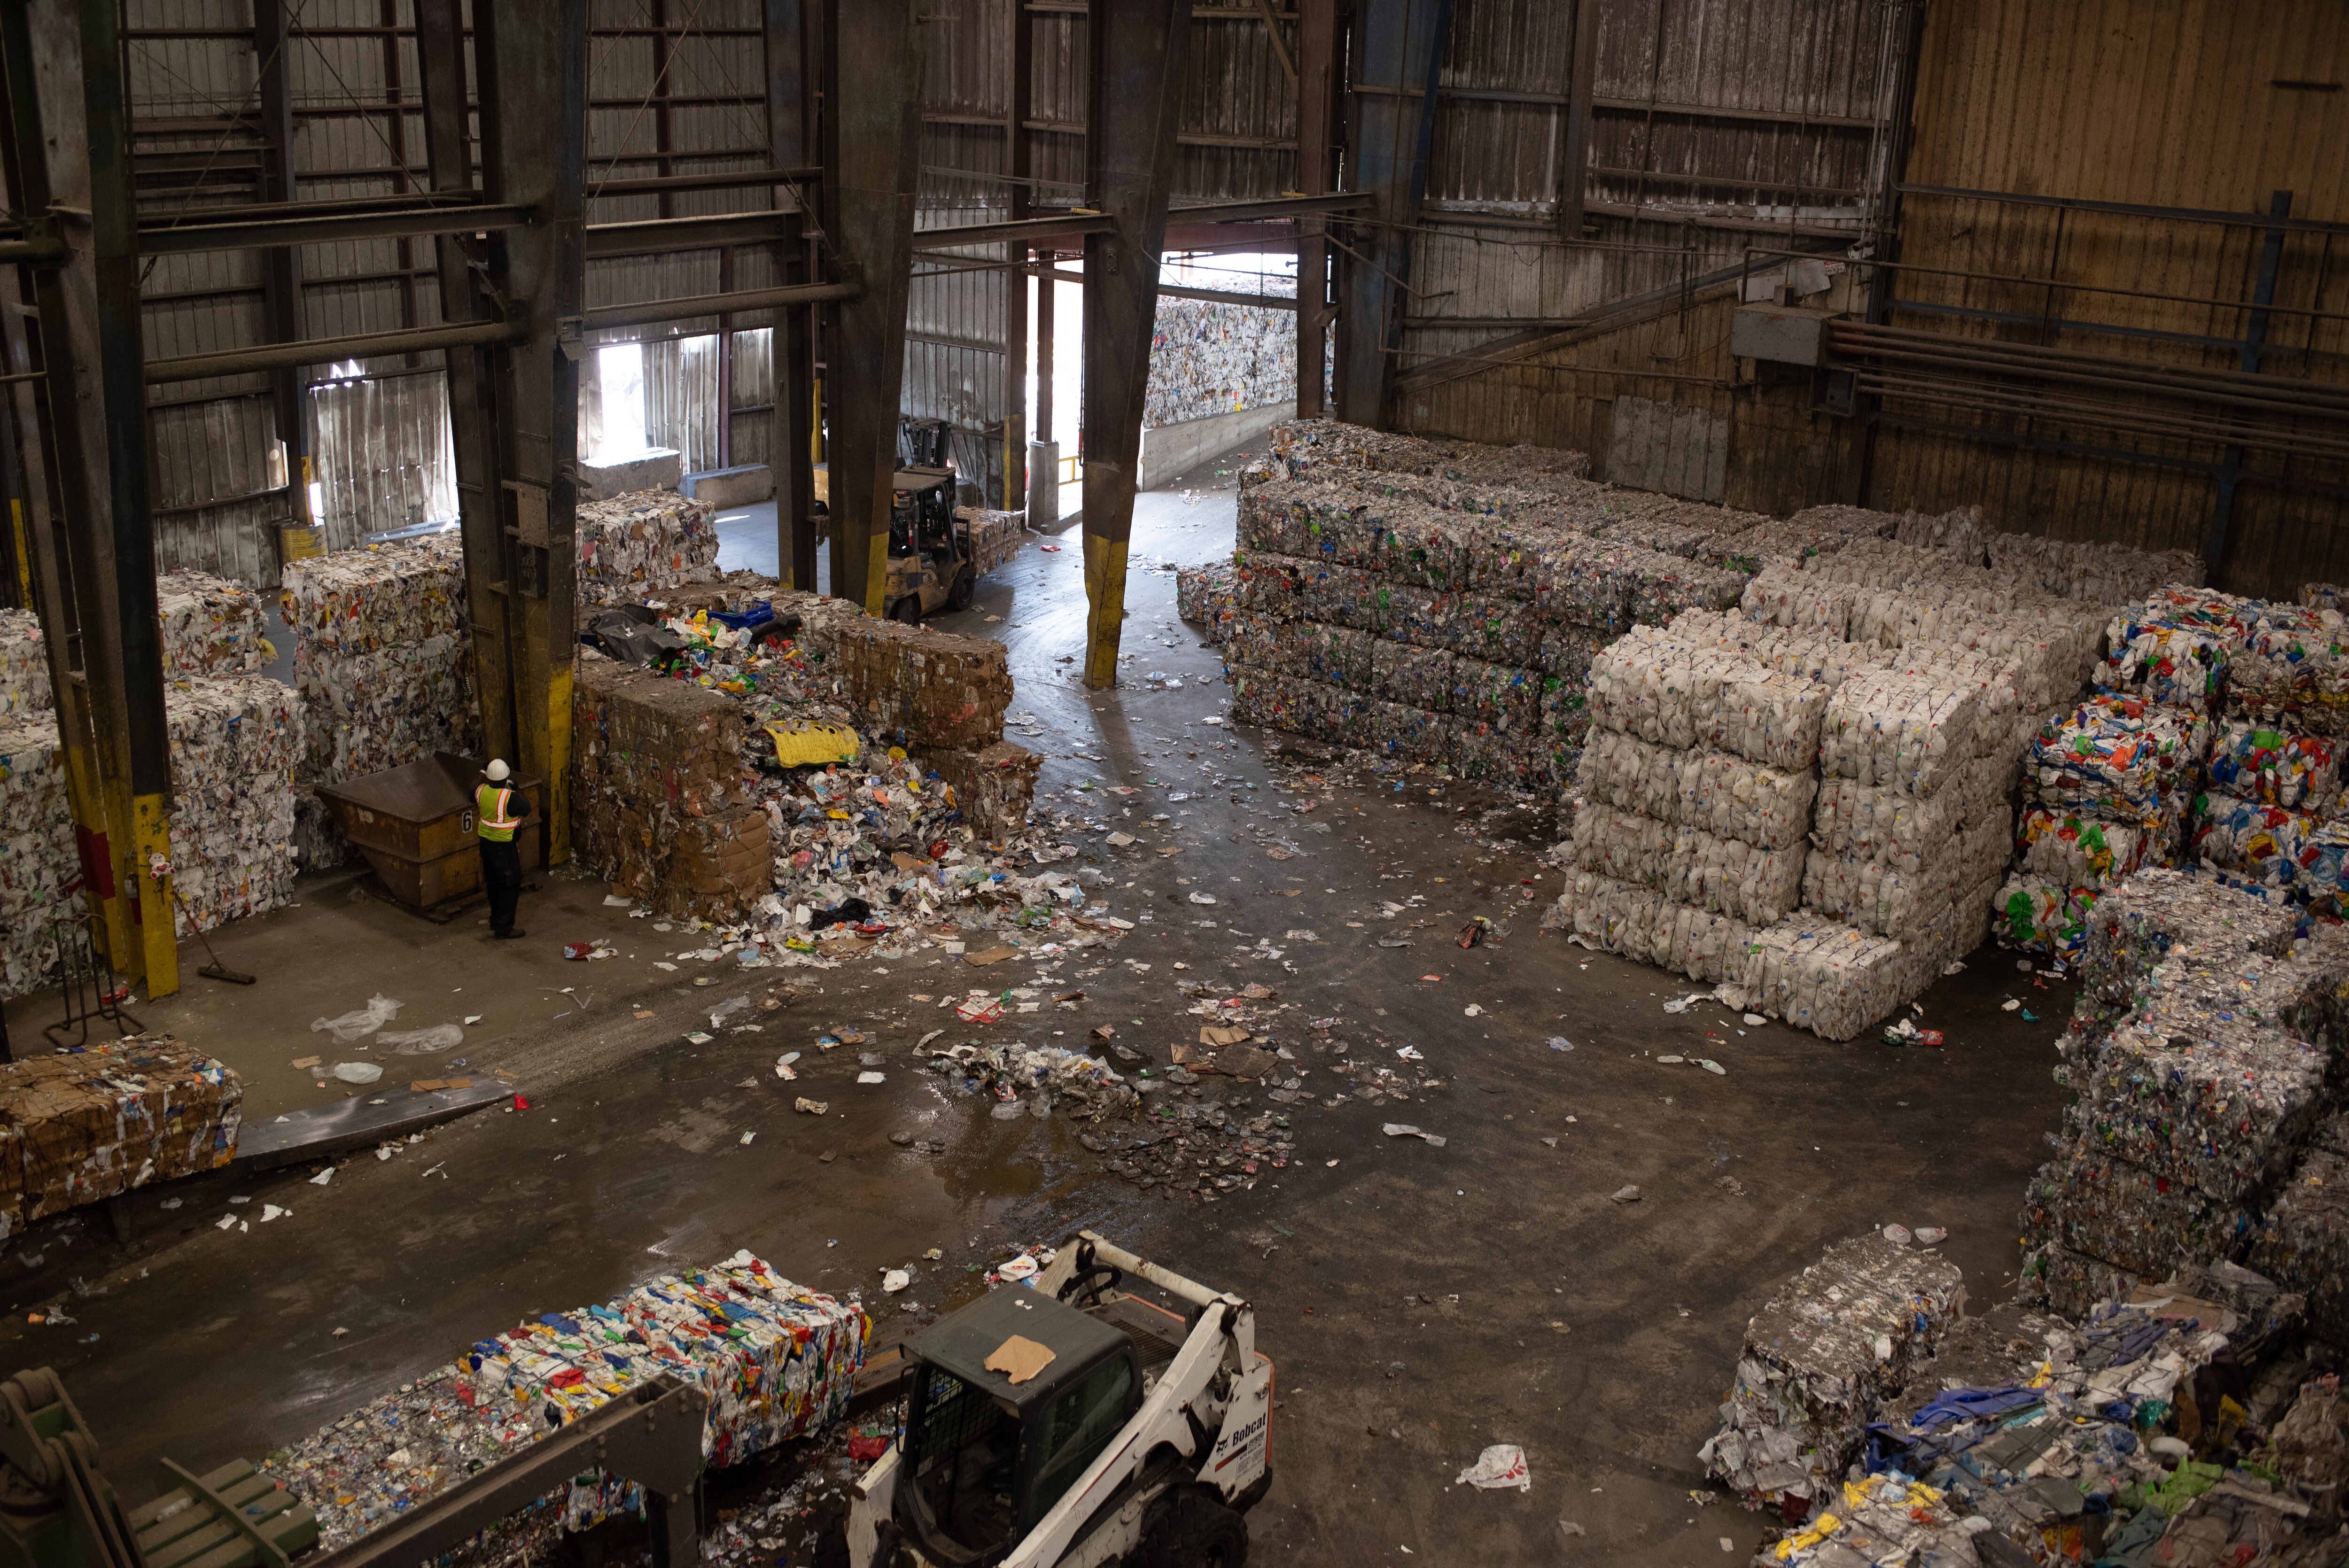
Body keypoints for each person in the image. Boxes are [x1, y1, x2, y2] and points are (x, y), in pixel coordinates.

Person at [475, 759, 532, 940]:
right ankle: (504, 928)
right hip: (504, 849)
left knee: (493, 883)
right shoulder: (510, 798)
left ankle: (495, 920)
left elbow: (472, 789)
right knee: (510, 885)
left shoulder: (481, 791)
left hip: (486, 846)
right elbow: (527, 808)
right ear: (506, 778)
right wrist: (516, 788)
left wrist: (481, 773)